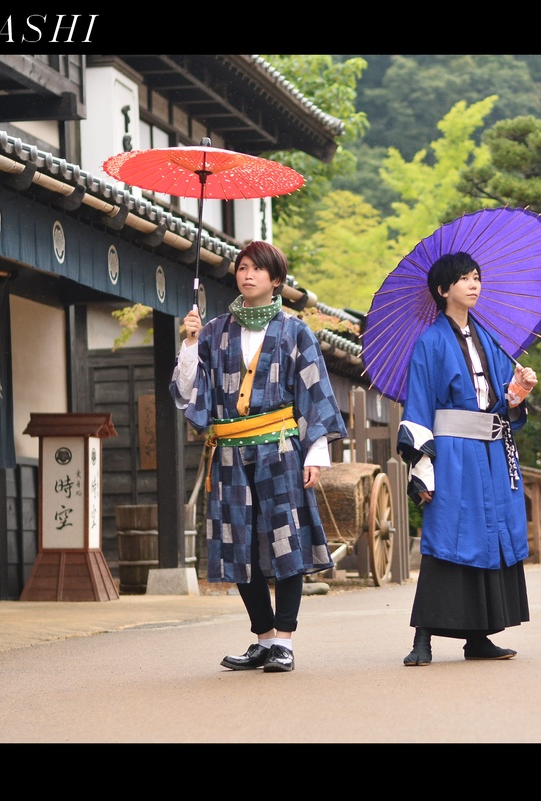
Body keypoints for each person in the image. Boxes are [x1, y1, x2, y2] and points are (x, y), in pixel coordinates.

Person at [170, 241, 347, 674]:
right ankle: (263, 639)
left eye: (257, 269)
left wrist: (316, 453)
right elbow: (188, 391)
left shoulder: (295, 331)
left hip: (282, 450)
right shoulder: (212, 331)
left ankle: (285, 641)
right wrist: (190, 343)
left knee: (285, 539)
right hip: (230, 452)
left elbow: (315, 393)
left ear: (276, 281)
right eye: (242, 267)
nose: (247, 275)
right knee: (239, 542)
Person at [397, 251, 537, 666]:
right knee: (448, 535)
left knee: (489, 535)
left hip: (491, 453)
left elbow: (500, 405)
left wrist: (518, 392)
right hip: (453, 455)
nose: (474, 284)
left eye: (477, 277)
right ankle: (422, 639)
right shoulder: (429, 342)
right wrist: (424, 469)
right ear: (443, 290)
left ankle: (479, 638)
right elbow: (419, 406)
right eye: (464, 278)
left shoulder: (489, 339)